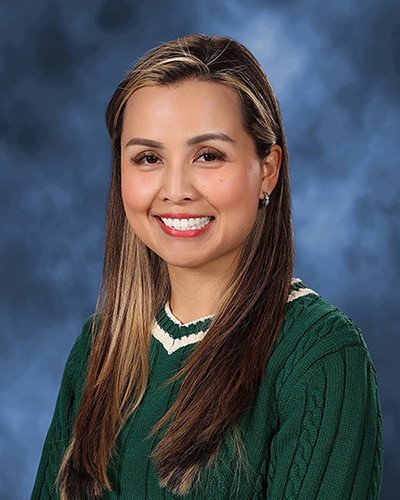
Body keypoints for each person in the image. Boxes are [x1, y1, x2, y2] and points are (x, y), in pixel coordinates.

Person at [31, 34, 383, 500]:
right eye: (149, 158)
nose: (176, 190)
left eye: (208, 156)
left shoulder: (320, 355)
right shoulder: (99, 346)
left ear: (268, 169)